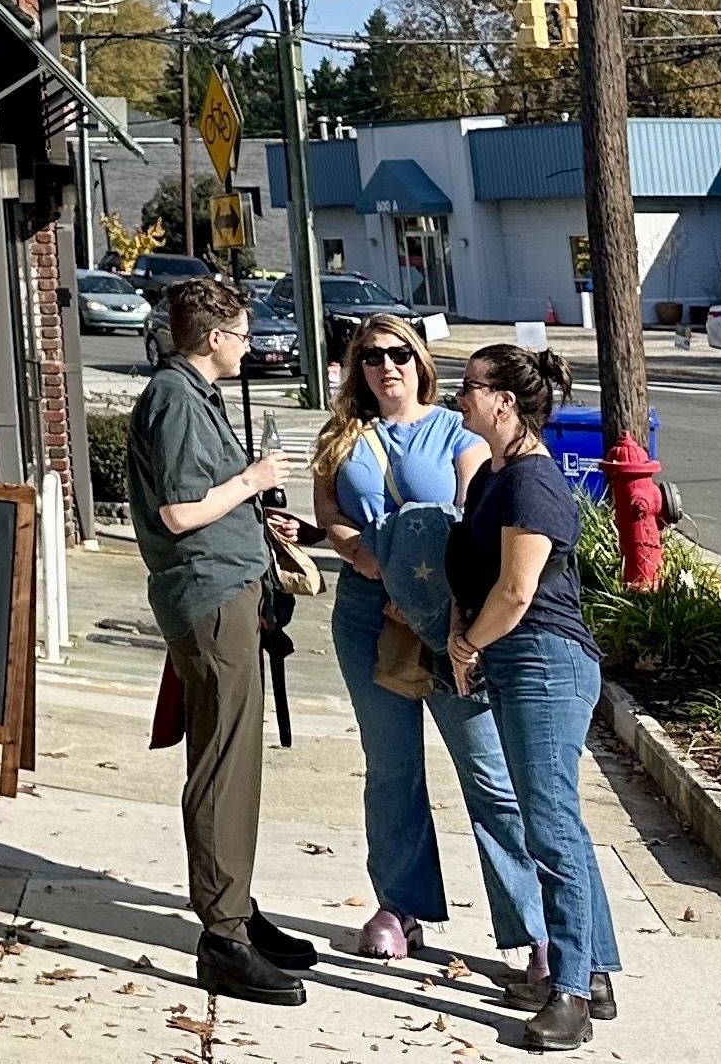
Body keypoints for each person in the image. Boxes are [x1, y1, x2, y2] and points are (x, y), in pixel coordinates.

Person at [312, 316, 542, 965]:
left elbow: (473, 513)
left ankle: (532, 928)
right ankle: (400, 906)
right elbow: (328, 514)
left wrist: (433, 590)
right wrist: (357, 551)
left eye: (401, 354)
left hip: (447, 617)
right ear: (358, 368)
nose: (388, 366)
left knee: (487, 773)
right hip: (366, 613)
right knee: (392, 768)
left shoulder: (454, 429)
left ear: (420, 362)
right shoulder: (341, 437)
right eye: (373, 356)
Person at [125, 274, 318, 1005]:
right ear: (214, 338)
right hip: (207, 598)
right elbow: (178, 512)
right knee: (223, 762)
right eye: (240, 334)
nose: (247, 345)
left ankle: (236, 903)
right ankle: (223, 936)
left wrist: (249, 514)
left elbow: (202, 500)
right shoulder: (175, 399)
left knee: (237, 761)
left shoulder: (189, 395)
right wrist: (254, 480)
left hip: (227, 589)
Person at [450, 343, 618, 1049]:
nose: (459, 398)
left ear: (504, 402)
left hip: (544, 662)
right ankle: (597, 970)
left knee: (550, 828)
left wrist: (467, 645)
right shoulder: (494, 475)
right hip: (517, 663)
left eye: (469, 387)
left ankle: (571, 994)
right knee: (553, 823)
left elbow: (518, 592)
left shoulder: (531, 482)